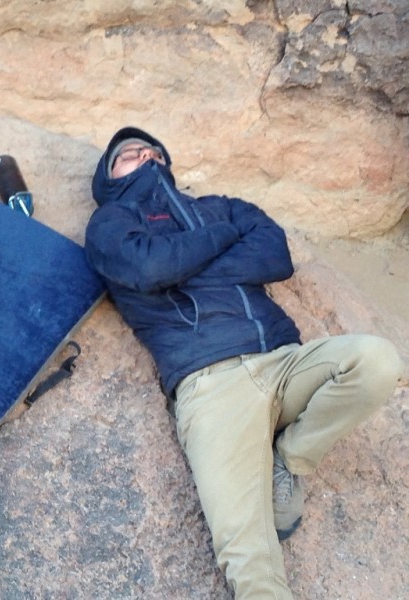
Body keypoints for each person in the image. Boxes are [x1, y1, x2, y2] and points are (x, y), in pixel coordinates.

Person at [84, 127, 403, 598]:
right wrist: (225, 242)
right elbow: (148, 269)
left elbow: (275, 255)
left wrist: (188, 266)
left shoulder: (220, 206)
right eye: (128, 155)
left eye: (152, 150)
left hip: (282, 360)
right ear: (108, 177)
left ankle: (289, 458)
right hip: (211, 386)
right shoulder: (111, 222)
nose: (144, 155)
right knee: (246, 554)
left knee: (377, 360)